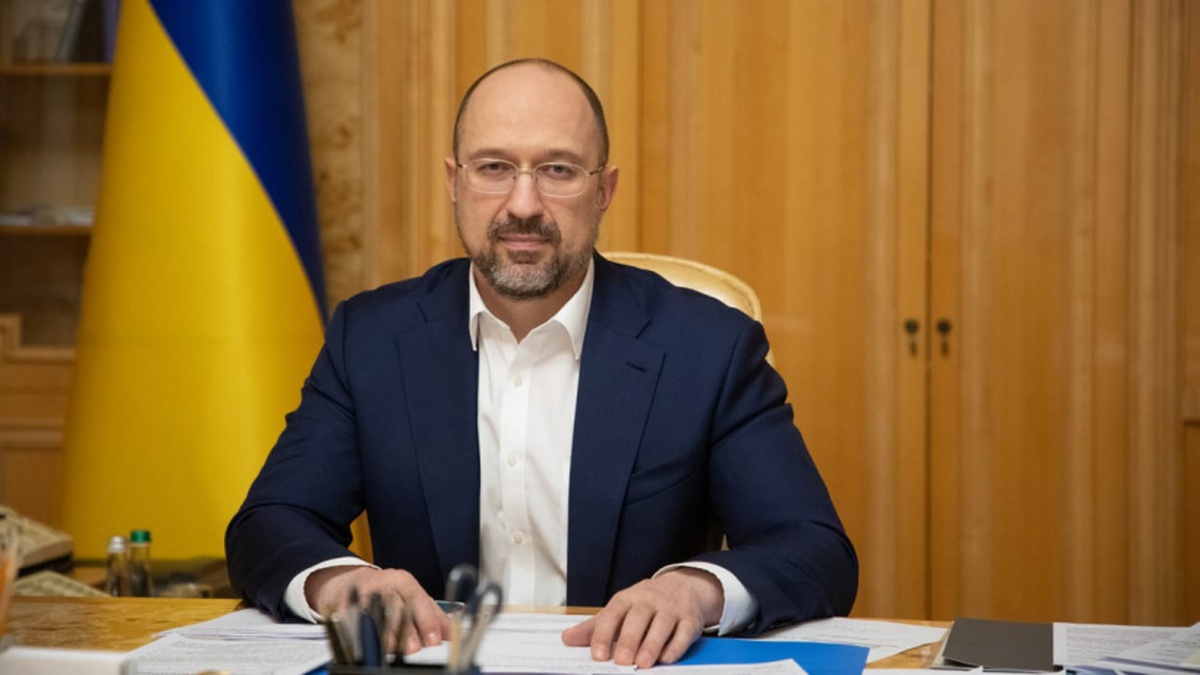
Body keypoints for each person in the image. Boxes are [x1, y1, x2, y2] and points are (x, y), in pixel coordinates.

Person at [225, 57, 857, 669]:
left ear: (604, 190)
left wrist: (695, 590)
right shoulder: (371, 339)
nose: (523, 205)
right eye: (493, 167)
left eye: (558, 170)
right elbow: (271, 523)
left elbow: (814, 549)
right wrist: (341, 583)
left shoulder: (708, 348)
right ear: (453, 182)